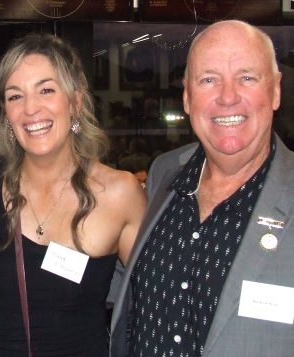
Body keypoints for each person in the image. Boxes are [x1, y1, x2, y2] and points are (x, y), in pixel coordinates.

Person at [110, 20, 294, 357]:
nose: (227, 96)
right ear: (187, 97)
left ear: (276, 90)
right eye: (209, 79)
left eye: (247, 77)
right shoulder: (164, 174)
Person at [0, 32, 147, 356]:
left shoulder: (120, 195)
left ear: (75, 101)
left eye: (46, 90)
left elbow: (153, 303)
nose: (31, 109)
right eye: (15, 96)